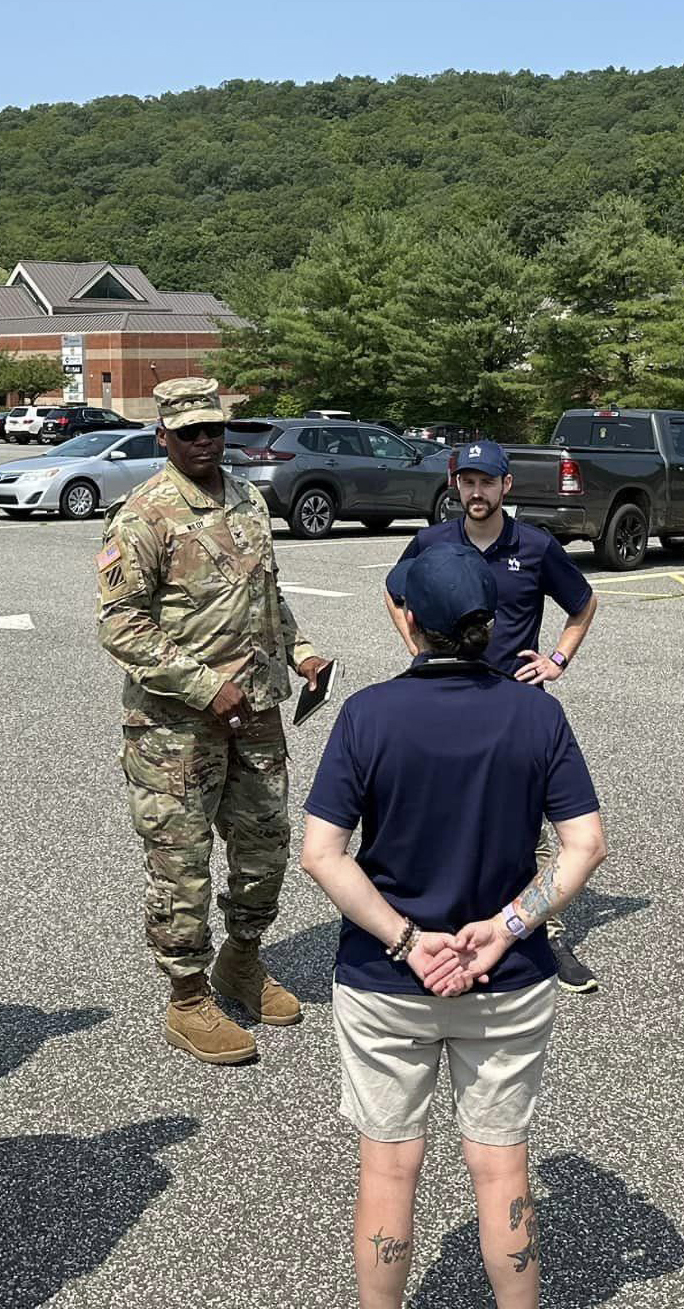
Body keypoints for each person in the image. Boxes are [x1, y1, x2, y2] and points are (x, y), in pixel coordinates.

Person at [303, 542, 608, 1309]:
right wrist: (507, 926)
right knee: (501, 1165)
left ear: (409, 621)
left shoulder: (368, 714)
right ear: (492, 621)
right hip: (504, 977)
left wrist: (405, 940)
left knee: (389, 1165)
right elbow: (585, 844)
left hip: (386, 979)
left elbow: (321, 854)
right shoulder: (535, 714)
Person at [99, 376, 330, 1065]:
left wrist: (303, 648)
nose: (205, 441)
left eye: (214, 429)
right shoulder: (144, 514)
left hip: (256, 712)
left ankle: (242, 959)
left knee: (264, 850)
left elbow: (269, 594)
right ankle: (188, 995)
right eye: (190, 432)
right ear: (161, 437)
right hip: (175, 729)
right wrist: (203, 686)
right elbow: (120, 625)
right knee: (182, 864)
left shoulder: (248, 499)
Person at [382, 439, 602, 992]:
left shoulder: (534, 545)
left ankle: (542, 932)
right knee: (450, 811)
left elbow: (583, 602)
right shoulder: (431, 541)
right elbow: (392, 589)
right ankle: (442, 921)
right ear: (455, 486)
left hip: (514, 704)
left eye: (486, 482)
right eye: (466, 481)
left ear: (507, 486)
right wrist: (415, 647)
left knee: (530, 824)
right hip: (444, 695)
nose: (475, 492)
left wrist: (556, 659)